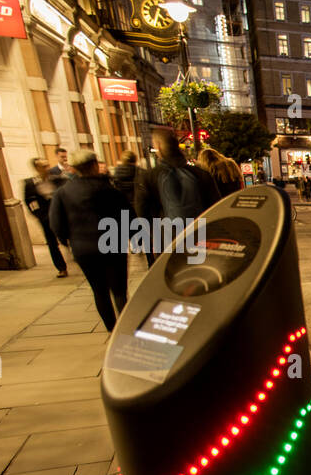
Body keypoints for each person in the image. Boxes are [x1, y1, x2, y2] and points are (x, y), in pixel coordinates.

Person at [49, 150, 133, 331]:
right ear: (94, 165)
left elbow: (56, 223)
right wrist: (133, 237)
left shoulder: (63, 193)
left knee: (99, 290)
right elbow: (128, 217)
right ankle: (125, 329)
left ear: (74, 168)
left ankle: (111, 328)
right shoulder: (110, 190)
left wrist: (67, 241)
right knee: (118, 290)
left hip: (83, 249)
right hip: (112, 245)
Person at [134, 128, 221, 266]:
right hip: (201, 236)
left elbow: (142, 212)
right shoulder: (201, 174)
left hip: (167, 241)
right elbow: (216, 206)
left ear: (159, 148)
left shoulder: (148, 177)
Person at [23, 159, 69, 277]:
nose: (46, 168)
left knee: (67, 237)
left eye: (47, 165)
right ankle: (61, 267)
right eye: (43, 166)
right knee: (52, 243)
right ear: (37, 168)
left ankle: (72, 250)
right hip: (45, 218)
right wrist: (39, 216)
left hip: (62, 215)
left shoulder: (58, 179)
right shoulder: (30, 184)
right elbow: (29, 202)